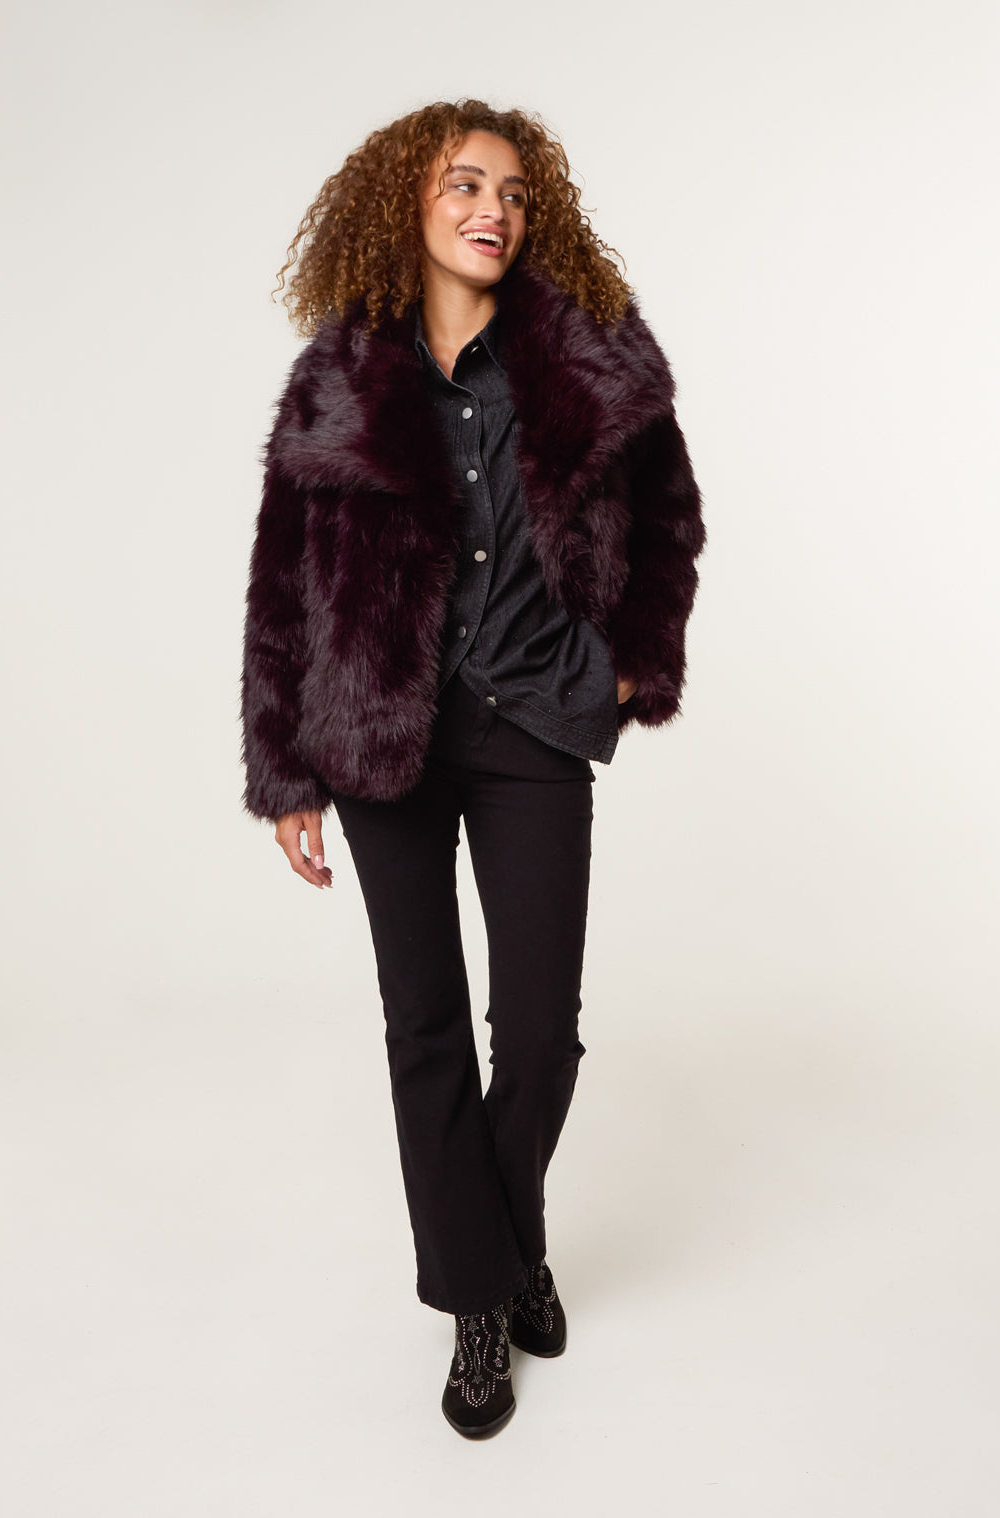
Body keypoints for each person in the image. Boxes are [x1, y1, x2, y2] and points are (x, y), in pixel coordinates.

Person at [239, 98, 705, 1439]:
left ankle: (499, 1241)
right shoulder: (339, 376)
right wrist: (286, 765)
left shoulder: (593, 358)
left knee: (541, 1029)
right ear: (409, 203)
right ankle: (483, 1301)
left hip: (537, 723)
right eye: (463, 184)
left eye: (510, 189)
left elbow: (670, 521)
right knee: (426, 1027)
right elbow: (282, 577)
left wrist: (631, 664)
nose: (491, 208)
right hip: (381, 731)